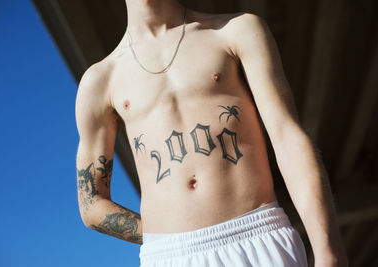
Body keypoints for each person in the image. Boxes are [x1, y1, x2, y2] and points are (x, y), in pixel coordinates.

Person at [75, 0, 348, 266]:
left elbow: (287, 136)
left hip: (256, 237)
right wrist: (163, 239)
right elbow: (91, 203)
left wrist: (329, 252)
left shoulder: (235, 31)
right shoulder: (100, 81)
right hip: (169, 255)